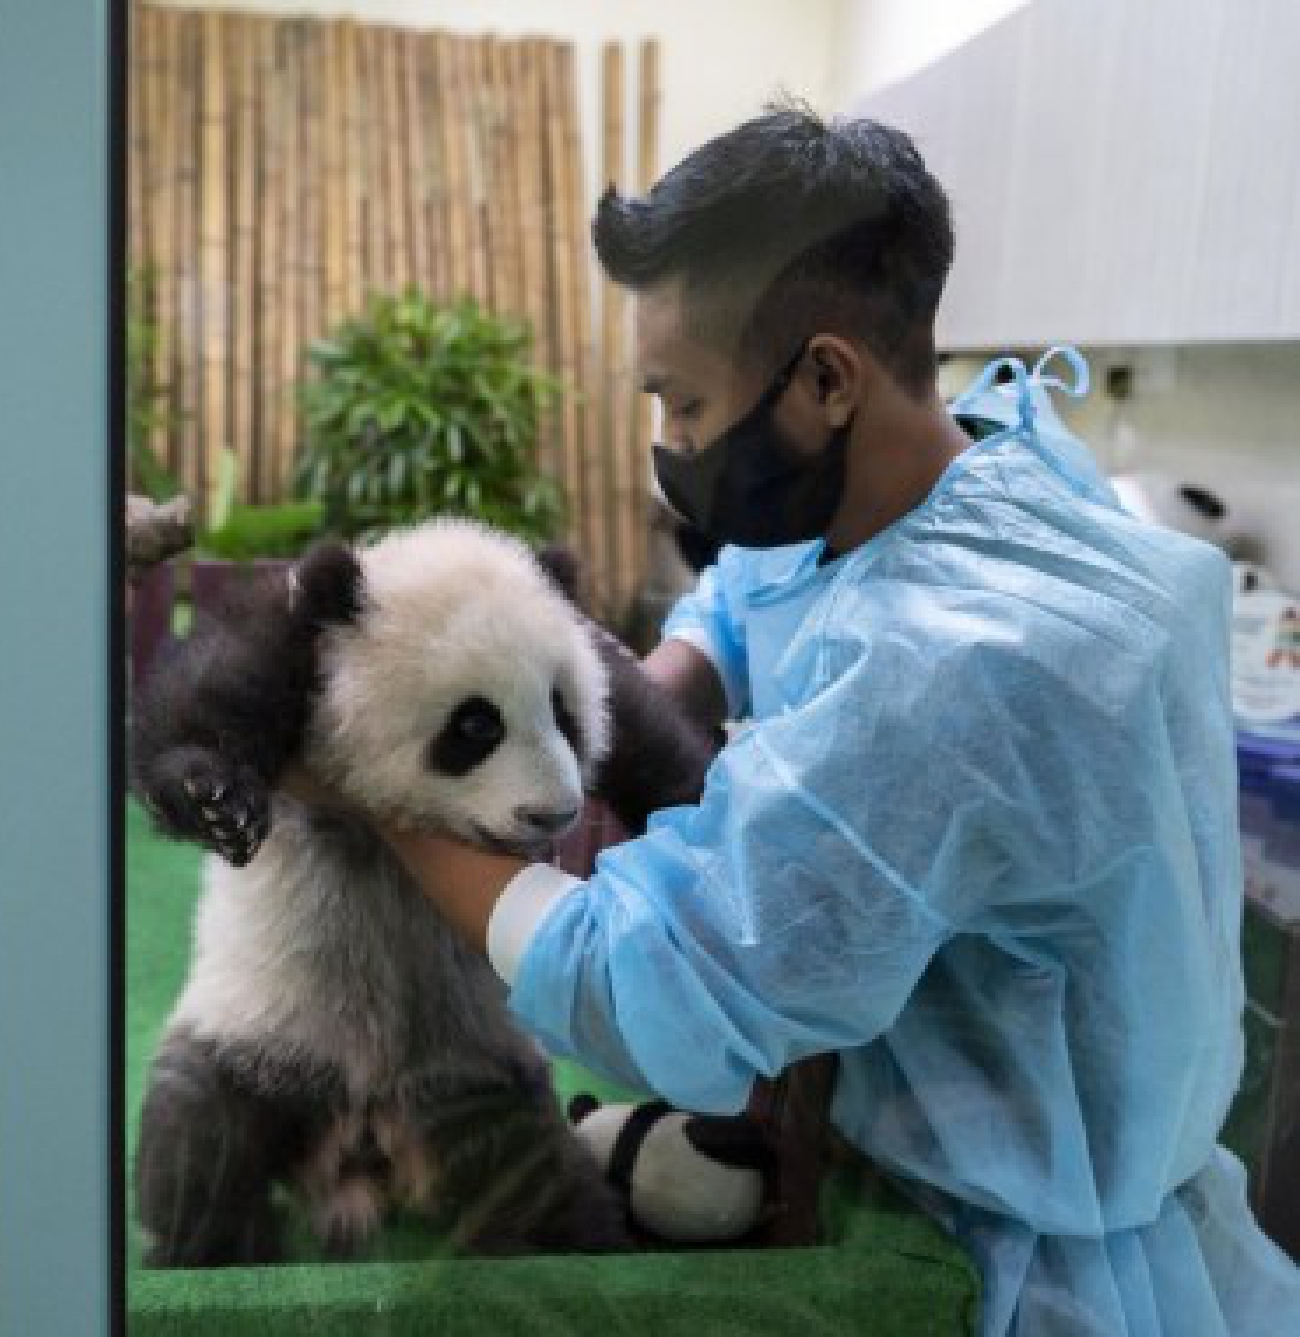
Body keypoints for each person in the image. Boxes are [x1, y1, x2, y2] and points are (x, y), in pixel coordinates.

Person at [292, 102, 1300, 1335]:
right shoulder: (979, 455)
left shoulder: (950, 671)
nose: (667, 446)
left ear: (826, 377)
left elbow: (648, 972)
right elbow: (748, 591)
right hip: (914, 1138)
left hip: (998, 1255)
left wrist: (364, 792)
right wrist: (622, 703)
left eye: (680, 406)